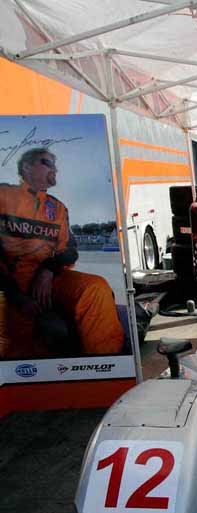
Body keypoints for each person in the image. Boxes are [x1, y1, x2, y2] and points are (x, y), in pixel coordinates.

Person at [0, 147, 124, 358]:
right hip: (7, 283)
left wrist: (48, 271)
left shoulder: (58, 208)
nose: (54, 169)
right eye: (46, 163)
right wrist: (16, 296)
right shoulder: (4, 195)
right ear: (26, 168)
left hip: (47, 279)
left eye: (55, 164)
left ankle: (104, 370)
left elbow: (69, 250)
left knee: (96, 288)